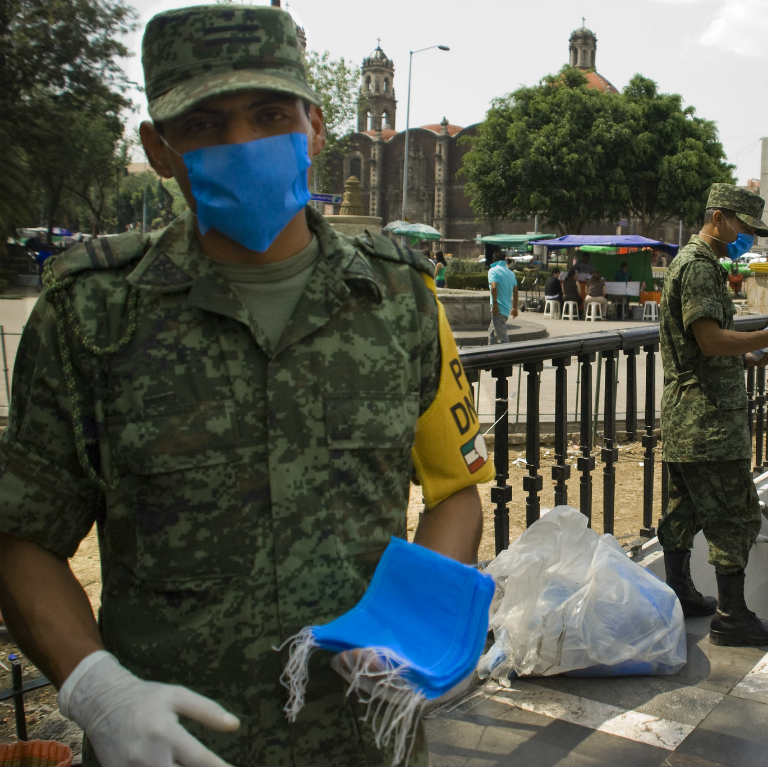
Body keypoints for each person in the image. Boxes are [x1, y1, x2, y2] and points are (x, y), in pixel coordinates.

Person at [0, 6, 494, 766]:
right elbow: (23, 537)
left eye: (270, 115)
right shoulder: (90, 316)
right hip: (172, 747)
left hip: (361, 742)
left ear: (316, 127)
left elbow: (457, 489)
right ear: (158, 150)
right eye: (204, 123)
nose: (244, 144)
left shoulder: (400, 300)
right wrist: (99, 689)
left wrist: (412, 625)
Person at [659, 183, 768, 645]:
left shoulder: (691, 262)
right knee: (734, 513)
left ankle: (681, 591)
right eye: (744, 227)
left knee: (683, 506)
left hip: (688, 412)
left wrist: (745, 356)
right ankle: (732, 616)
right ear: (719, 217)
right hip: (707, 418)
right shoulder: (700, 267)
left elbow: (701, 345)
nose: (747, 236)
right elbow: (709, 340)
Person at [487, 250, 518, 343]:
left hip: (498, 309)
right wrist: (515, 308)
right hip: (506, 309)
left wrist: (495, 305)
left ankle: (509, 356)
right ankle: (489, 353)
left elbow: (493, 287)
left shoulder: (493, 271)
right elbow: (515, 291)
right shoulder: (511, 273)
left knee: (503, 338)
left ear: (493, 260)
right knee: (491, 332)